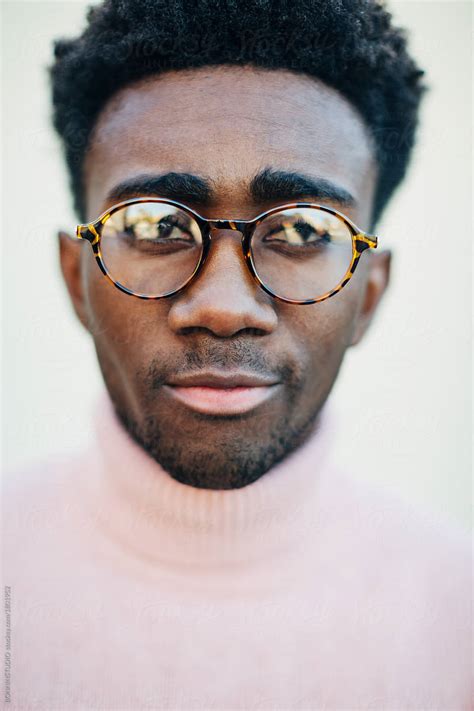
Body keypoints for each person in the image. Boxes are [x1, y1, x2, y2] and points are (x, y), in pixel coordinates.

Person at [3, 0, 471, 708]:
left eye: (304, 229)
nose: (224, 306)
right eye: (155, 223)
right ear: (78, 279)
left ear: (368, 296)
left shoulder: (455, 617)